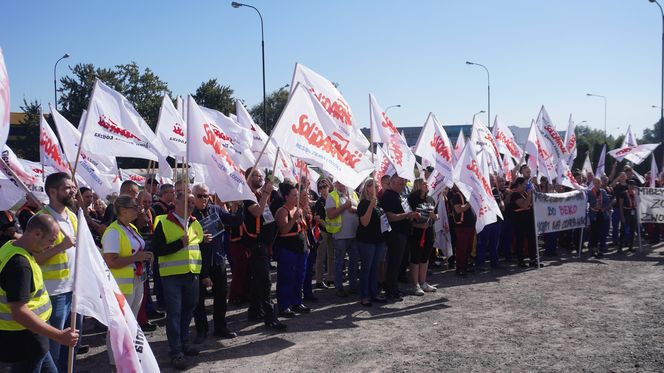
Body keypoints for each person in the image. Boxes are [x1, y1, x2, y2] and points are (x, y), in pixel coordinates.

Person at [0, 214, 79, 373]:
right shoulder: (19, 264)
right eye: (51, 240)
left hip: (31, 338)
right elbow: (19, 312)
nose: (51, 246)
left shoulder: (10, 246)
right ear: (36, 233)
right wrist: (59, 336)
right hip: (24, 341)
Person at [152, 192, 208, 369]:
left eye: (192, 202)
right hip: (172, 276)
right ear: (175, 202)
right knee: (174, 314)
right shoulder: (163, 221)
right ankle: (175, 352)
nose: (191, 204)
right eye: (187, 201)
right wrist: (179, 244)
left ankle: (184, 343)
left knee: (188, 310)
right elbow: (158, 249)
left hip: (192, 273)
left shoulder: (194, 222)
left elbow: (197, 245)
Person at [34, 172, 81, 372]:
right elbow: (34, 259)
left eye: (73, 187)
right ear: (52, 192)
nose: (73, 191)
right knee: (54, 346)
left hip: (75, 289)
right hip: (53, 293)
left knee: (72, 346)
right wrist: (60, 246)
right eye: (67, 188)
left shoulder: (71, 216)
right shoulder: (40, 220)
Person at [101, 195, 154, 364]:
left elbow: (136, 250)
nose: (138, 209)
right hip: (120, 286)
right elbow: (110, 261)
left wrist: (145, 256)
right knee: (118, 325)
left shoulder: (130, 227)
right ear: (123, 211)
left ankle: (128, 356)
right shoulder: (113, 232)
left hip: (135, 281)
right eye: (134, 207)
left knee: (130, 322)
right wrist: (137, 257)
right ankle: (114, 361)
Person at [191, 183, 243, 343]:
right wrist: (199, 239)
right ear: (193, 197)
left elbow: (235, 221)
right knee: (198, 299)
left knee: (221, 295)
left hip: (218, 258)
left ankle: (220, 326)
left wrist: (239, 205)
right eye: (200, 196)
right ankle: (201, 330)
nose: (203, 199)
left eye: (206, 195)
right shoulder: (189, 214)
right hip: (199, 261)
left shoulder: (216, 209)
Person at [242, 168, 286, 330]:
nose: (260, 178)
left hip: (263, 243)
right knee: (265, 281)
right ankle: (271, 317)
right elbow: (258, 212)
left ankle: (255, 310)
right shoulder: (247, 196)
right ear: (248, 178)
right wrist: (267, 193)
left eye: (261, 175)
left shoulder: (259, 195)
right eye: (256, 175)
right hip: (255, 244)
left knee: (257, 280)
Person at [274, 183, 311, 317]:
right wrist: (294, 219)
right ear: (286, 197)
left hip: (301, 248)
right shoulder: (282, 211)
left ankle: (296, 302)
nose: (297, 197)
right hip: (288, 249)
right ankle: (284, 306)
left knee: (299, 277)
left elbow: (303, 228)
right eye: (294, 195)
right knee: (286, 277)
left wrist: (307, 244)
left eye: (297, 194)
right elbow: (283, 230)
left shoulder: (298, 209)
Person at [381, 174, 419, 299]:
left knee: (398, 262)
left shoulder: (399, 195)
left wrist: (410, 215)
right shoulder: (388, 196)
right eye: (400, 183)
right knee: (393, 262)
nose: (403, 186)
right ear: (392, 183)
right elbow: (390, 216)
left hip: (403, 233)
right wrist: (406, 215)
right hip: (395, 233)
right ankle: (391, 289)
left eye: (403, 183)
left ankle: (393, 287)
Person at [355, 179, 388, 306]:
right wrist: (370, 206)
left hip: (378, 239)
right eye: (374, 186)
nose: (377, 188)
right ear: (367, 188)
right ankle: (364, 295)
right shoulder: (363, 204)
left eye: (377, 186)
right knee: (366, 268)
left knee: (375, 268)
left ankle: (373, 293)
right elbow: (364, 222)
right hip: (366, 240)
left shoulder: (378, 202)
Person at [326, 180, 360, 297]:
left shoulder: (353, 193)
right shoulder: (332, 196)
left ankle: (353, 286)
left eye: (343, 183)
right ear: (335, 184)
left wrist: (353, 209)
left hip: (354, 234)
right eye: (338, 183)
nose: (341, 185)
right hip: (340, 235)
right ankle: (339, 288)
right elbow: (330, 214)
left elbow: (359, 209)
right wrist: (344, 206)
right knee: (339, 262)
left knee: (354, 262)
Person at [407, 179, 438, 295]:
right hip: (416, 233)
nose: (427, 185)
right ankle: (415, 285)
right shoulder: (411, 199)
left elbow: (437, 214)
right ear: (418, 185)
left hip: (429, 232)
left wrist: (434, 216)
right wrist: (417, 225)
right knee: (415, 258)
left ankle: (423, 282)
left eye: (427, 183)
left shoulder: (431, 199)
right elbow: (408, 216)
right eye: (424, 183)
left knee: (425, 257)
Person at [510, 177, 538, 268]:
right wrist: (530, 195)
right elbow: (524, 205)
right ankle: (520, 260)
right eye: (525, 185)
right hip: (519, 222)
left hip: (529, 221)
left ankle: (533, 259)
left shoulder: (525, 194)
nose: (526, 186)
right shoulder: (515, 195)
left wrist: (533, 195)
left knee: (532, 240)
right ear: (519, 185)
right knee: (520, 241)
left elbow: (533, 204)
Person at [451, 184, 476, 276]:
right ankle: (460, 269)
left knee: (468, 248)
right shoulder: (457, 196)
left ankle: (465, 266)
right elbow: (458, 210)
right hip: (461, 226)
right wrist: (469, 203)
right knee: (462, 248)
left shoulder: (467, 195)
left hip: (469, 226)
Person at [314, 178, 333, 288]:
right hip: (323, 231)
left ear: (329, 187)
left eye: (324, 186)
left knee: (332, 255)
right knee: (321, 256)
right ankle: (319, 280)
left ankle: (331, 278)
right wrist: (328, 227)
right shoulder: (319, 202)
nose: (323, 189)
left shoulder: (333, 199)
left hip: (333, 230)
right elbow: (318, 218)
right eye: (320, 187)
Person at [587, 177, 611, 258]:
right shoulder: (589, 192)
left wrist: (604, 207)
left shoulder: (603, 192)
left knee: (601, 232)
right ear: (593, 184)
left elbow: (607, 201)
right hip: (593, 214)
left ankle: (600, 249)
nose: (597, 184)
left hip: (601, 214)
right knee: (594, 233)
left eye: (598, 183)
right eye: (595, 183)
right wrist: (594, 205)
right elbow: (587, 202)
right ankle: (593, 249)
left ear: (600, 183)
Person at [618, 180, 638, 253]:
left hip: (633, 213)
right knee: (623, 230)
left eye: (633, 185)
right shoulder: (623, 193)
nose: (631, 186)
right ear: (628, 185)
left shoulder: (636, 193)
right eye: (630, 185)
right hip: (626, 213)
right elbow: (620, 206)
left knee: (632, 230)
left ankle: (631, 246)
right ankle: (620, 246)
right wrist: (622, 216)